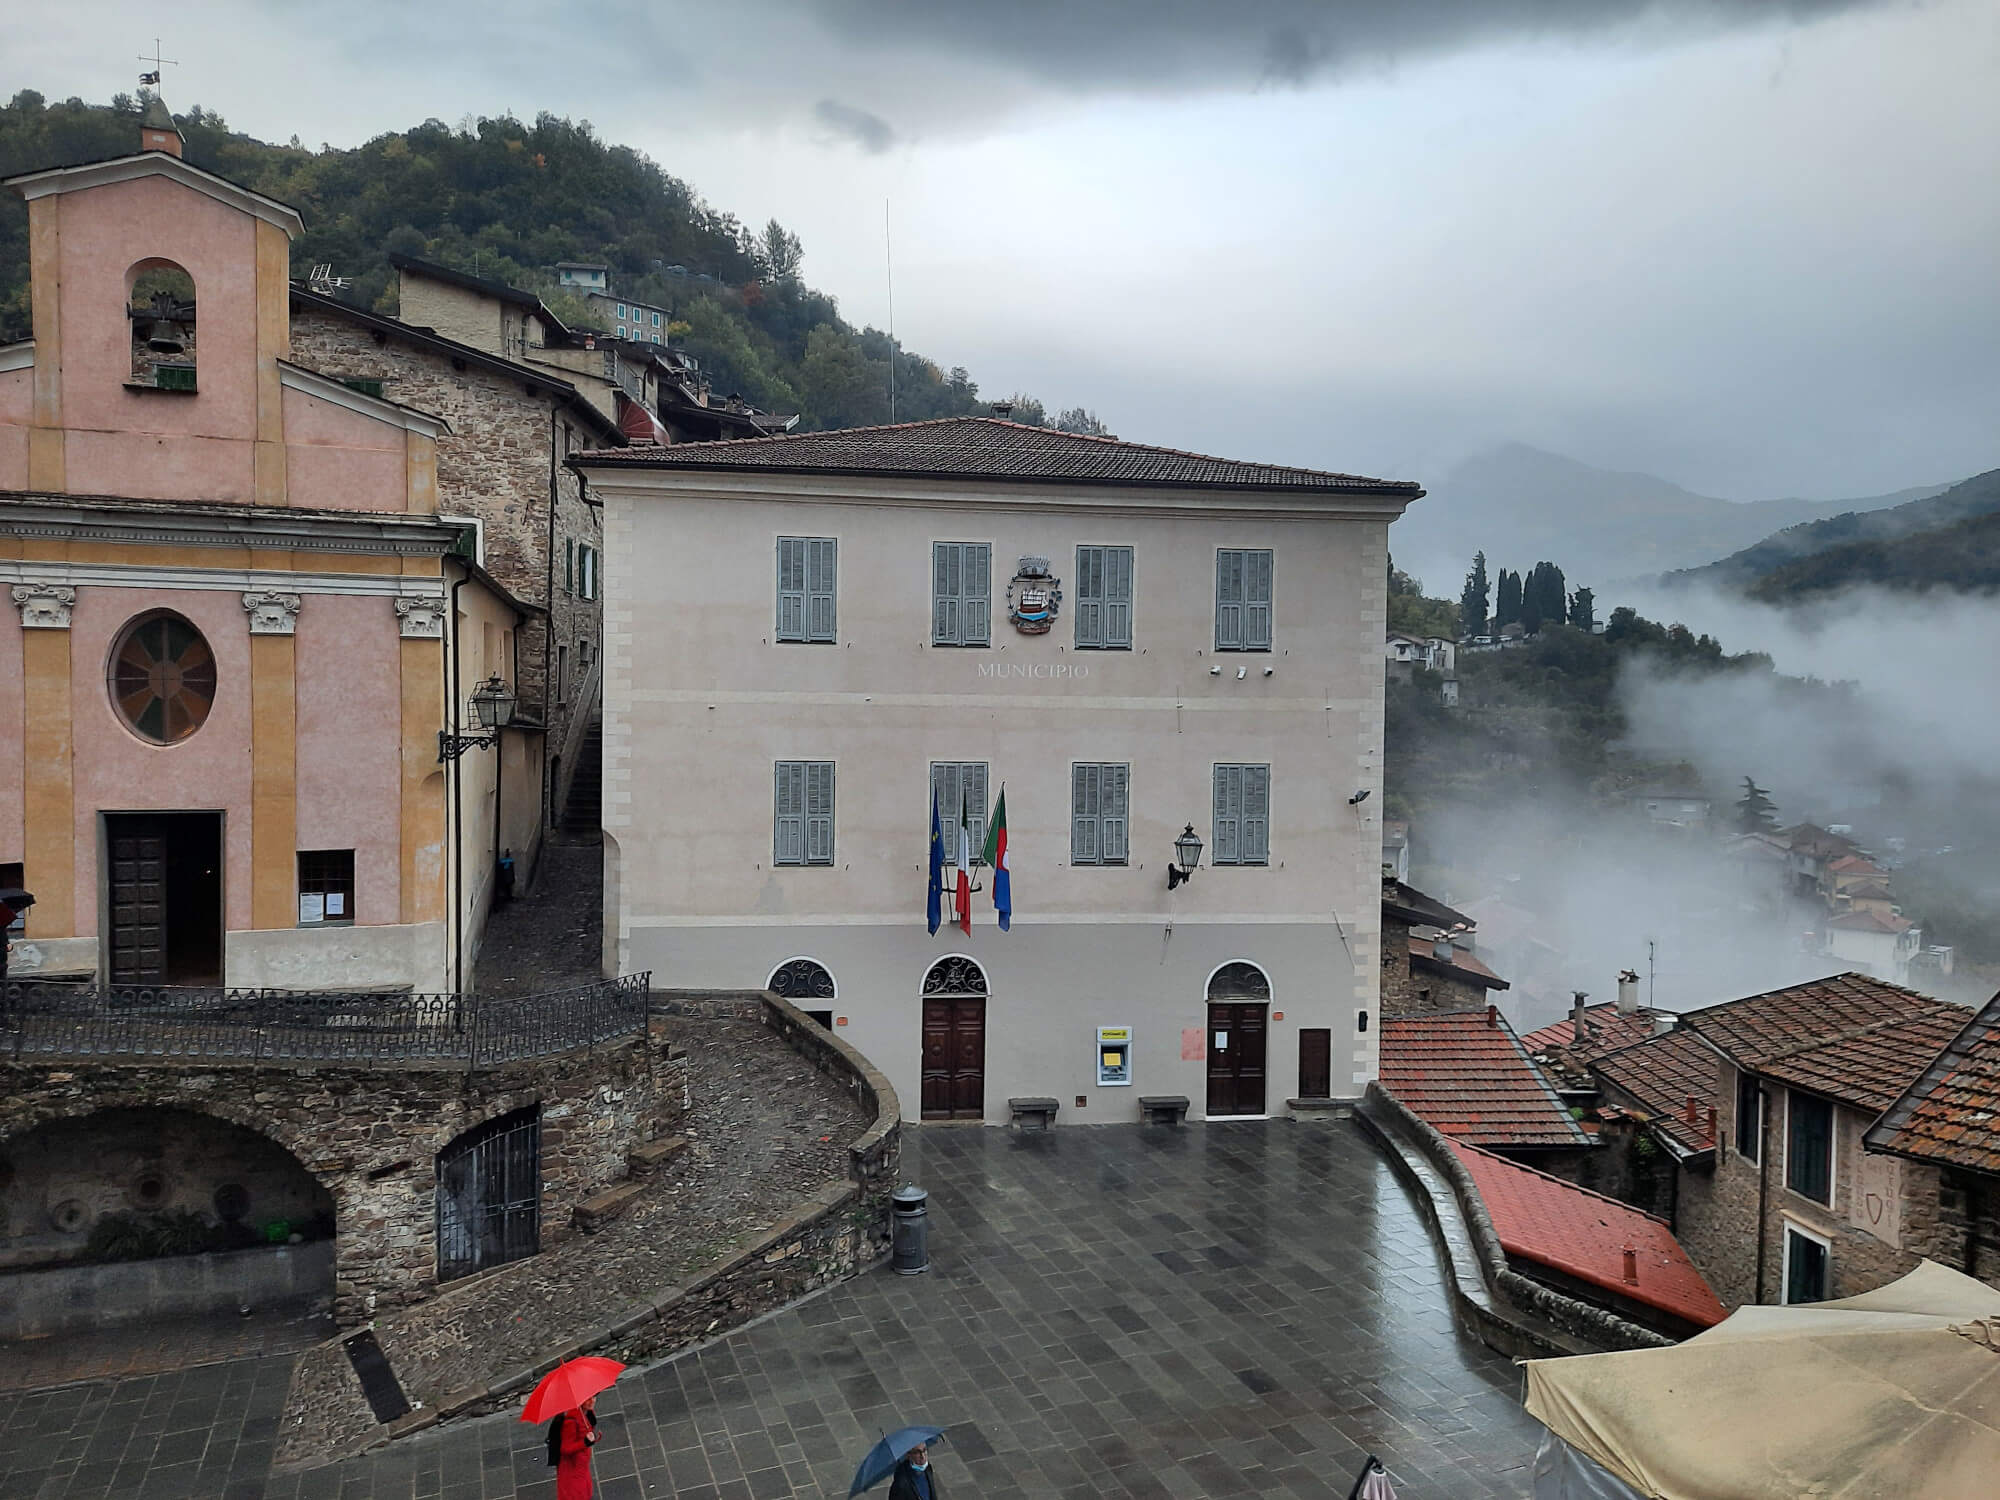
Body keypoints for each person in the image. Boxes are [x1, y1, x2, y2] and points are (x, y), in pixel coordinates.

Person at [546, 1397, 598, 1500]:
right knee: (577, 1494)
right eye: (588, 1399)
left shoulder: (586, 1411)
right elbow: (565, 1448)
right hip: (573, 1467)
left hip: (581, 1464)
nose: (592, 1401)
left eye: (593, 1397)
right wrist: (585, 1442)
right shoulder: (571, 1421)